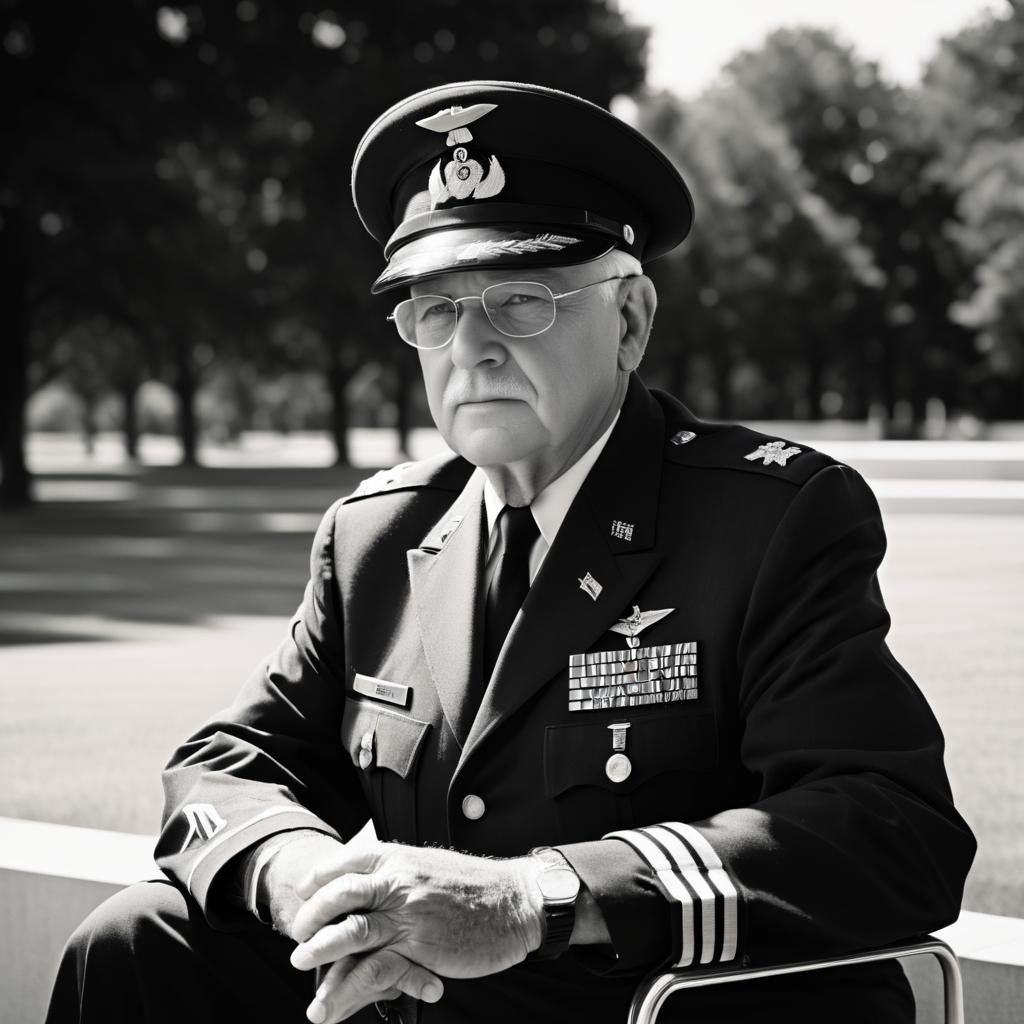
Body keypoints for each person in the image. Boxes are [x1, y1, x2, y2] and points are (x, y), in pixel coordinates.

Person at [47, 80, 975, 1024]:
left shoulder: (770, 518)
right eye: (436, 309)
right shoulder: (379, 535)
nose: (472, 348)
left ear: (629, 321)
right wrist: (301, 876)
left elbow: (894, 828)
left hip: (646, 1007)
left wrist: (537, 899)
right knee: (137, 942)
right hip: (431, 1009)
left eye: (520, 299)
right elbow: (227, 765)